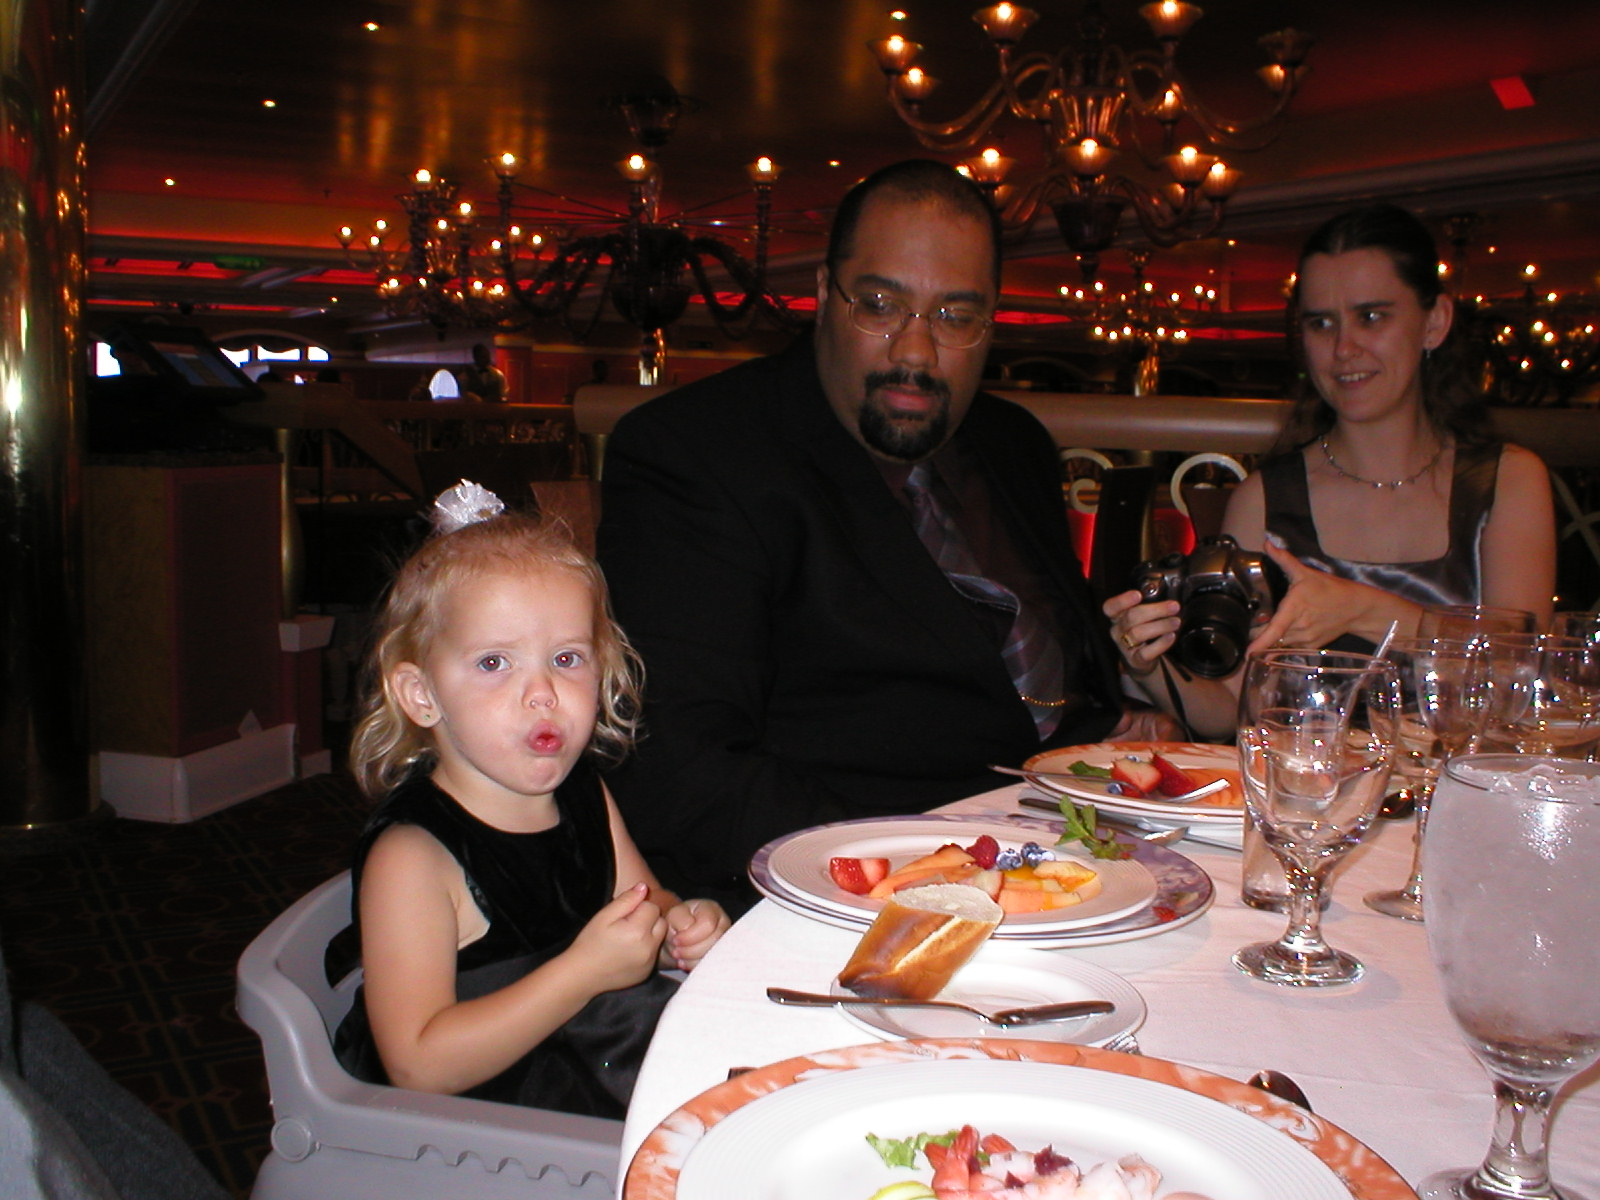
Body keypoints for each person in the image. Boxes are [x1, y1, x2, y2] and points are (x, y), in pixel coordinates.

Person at [596, 160, 1172, 907]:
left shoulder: (1013, 443)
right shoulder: (698, 453)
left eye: (954, 317)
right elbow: (682, 768)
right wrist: (934, 876)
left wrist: (1128, 728)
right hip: (849, 903)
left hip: (1079, 861)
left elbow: (1030, 682)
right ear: (824, 298)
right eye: (880, 304)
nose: (915, 352)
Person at [332, 482, 729, 1118]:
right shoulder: (414, 856)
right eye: (494, 664)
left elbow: (645, 902)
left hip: (591, 1050)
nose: (542, 692)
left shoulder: (583, 794)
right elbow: (420, 1063)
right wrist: (584, 972)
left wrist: (679, 927)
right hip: (479, 1120)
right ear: (421, 694)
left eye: (567, 658)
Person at [1106, 203, 1556, 737]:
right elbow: (1231, 709)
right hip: (1309, 802)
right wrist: (1150, 666)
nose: (1343, 349)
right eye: (1322, 323)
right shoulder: (1265, 497)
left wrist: (1365, 611)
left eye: (1371, 316)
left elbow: (1515, 683)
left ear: (1434, 323)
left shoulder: (1507, 480)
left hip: (1465, 802)